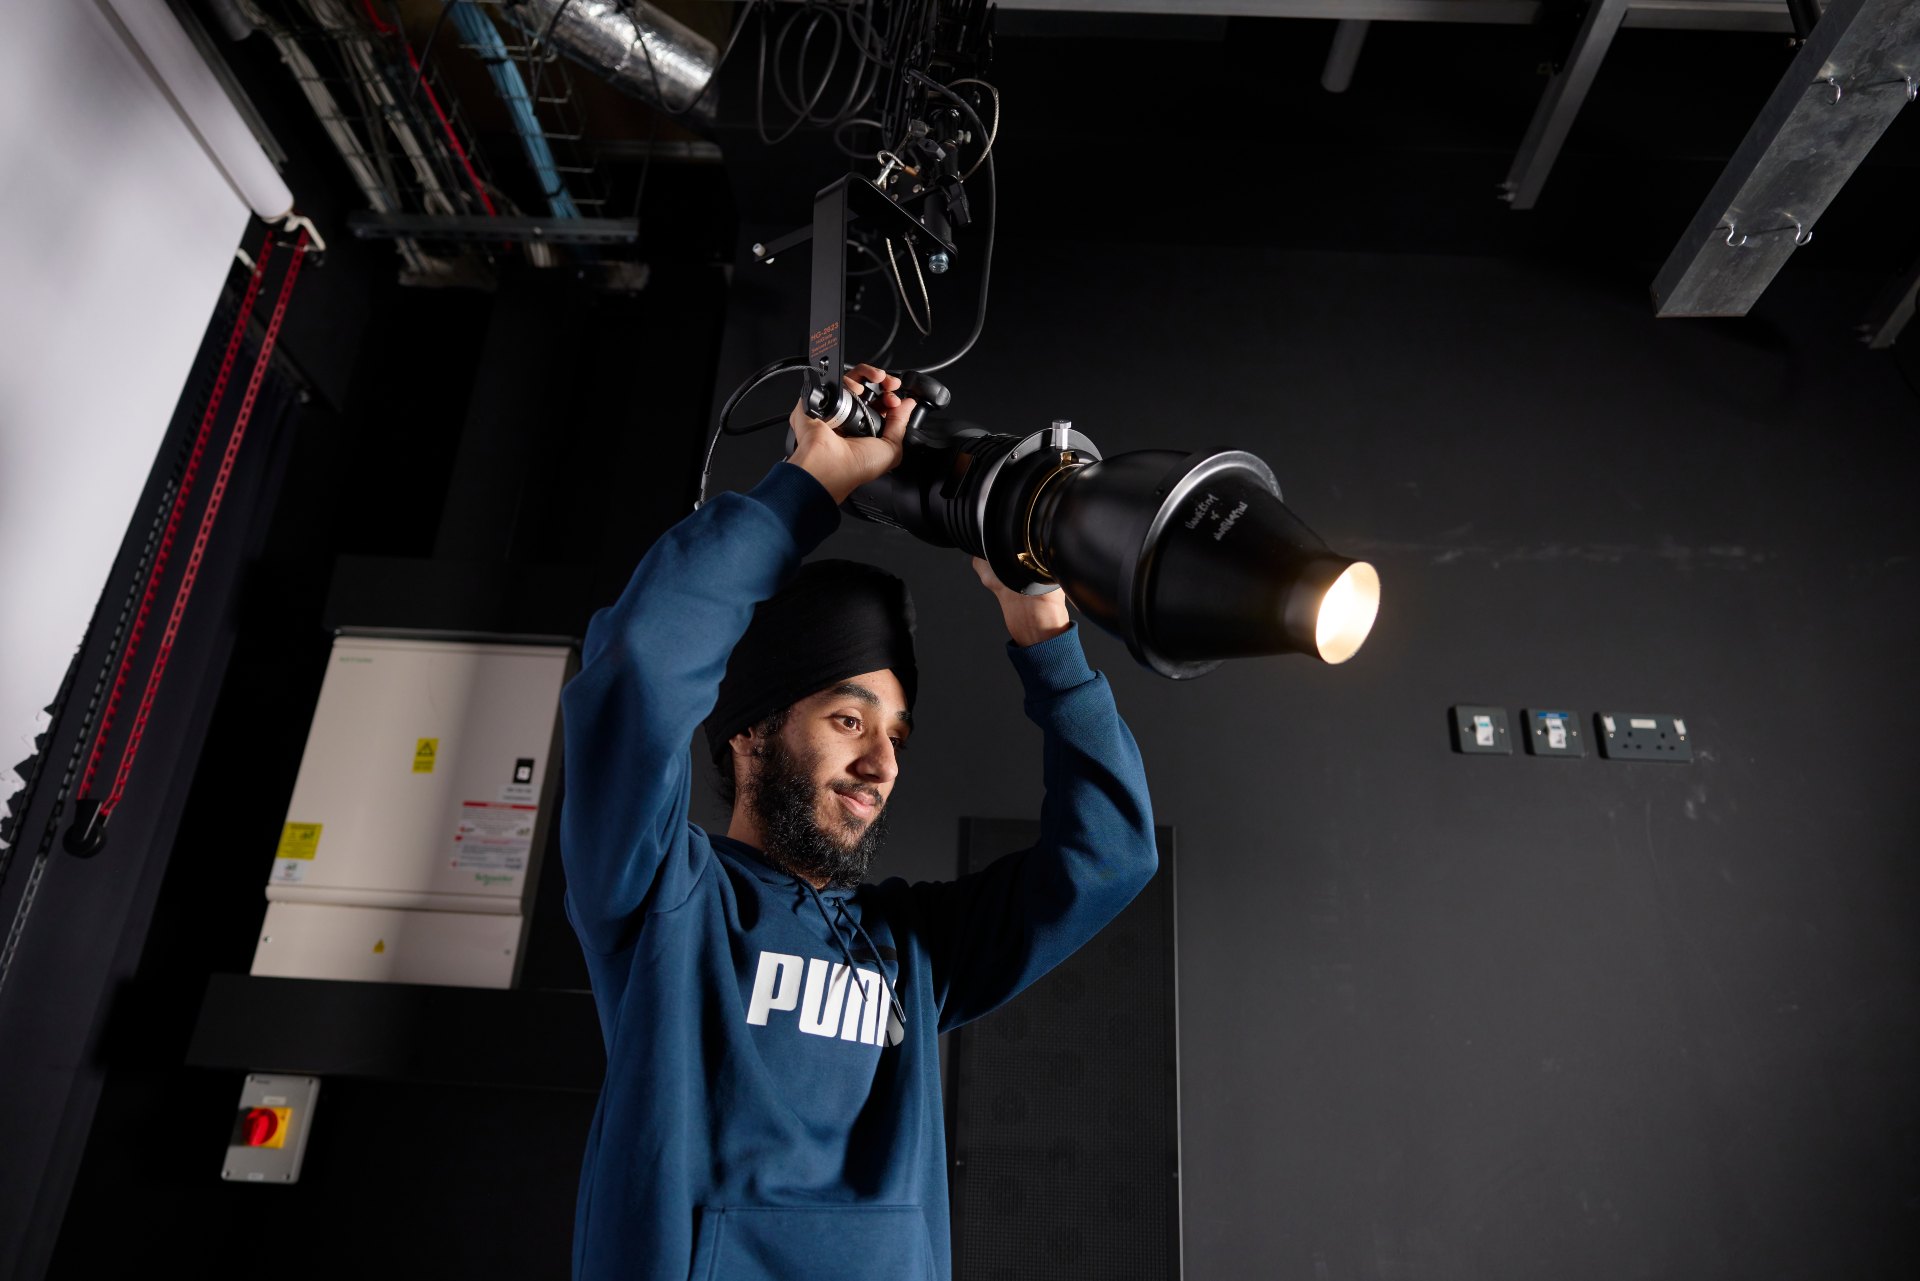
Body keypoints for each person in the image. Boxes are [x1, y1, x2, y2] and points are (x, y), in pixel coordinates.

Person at [559, 363, 1158, 1280]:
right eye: (848, 720)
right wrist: (811, 485)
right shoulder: (661, 899)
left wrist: (1046, 633)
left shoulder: (909, 949)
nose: (881, 764)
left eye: (896, 737)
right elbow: (642, 663)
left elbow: (1111, 855)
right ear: (753, 734)